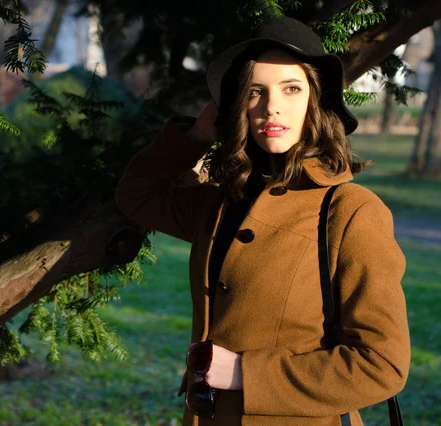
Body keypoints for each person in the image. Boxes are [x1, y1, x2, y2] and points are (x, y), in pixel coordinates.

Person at [114, 16, 410, 426]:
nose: (271, 106)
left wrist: (242, 373)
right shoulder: (221, 202)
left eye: (291, 89)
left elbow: (381, 365)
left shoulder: (351, 211)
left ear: (315, 101)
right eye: (255, 91)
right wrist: (198, 135)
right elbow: (137, 195)